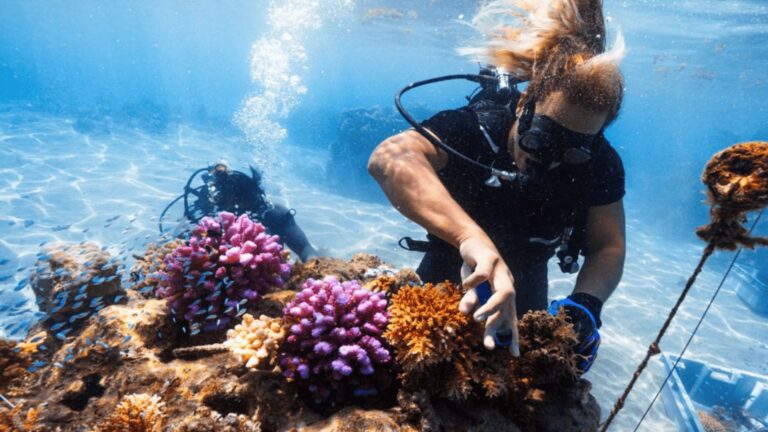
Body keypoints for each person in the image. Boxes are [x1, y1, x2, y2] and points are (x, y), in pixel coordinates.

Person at [368, 0, 625, 373]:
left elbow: (608, 245)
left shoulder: (599, 164)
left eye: (573, 151)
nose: (551, 162)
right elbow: (389, 158)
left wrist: (586, 304)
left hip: (529, 281)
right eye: (542, 140)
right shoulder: (478, 127)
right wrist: (470, 239)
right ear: (524, 105)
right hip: (446, 271)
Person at [161, 163, 319, 262]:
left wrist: (314, 264)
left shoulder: (274, 214)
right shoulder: (205, 212)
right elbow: (176, 246)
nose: (238, 201)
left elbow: (305, 248)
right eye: (233, 193)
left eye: (245, 192)